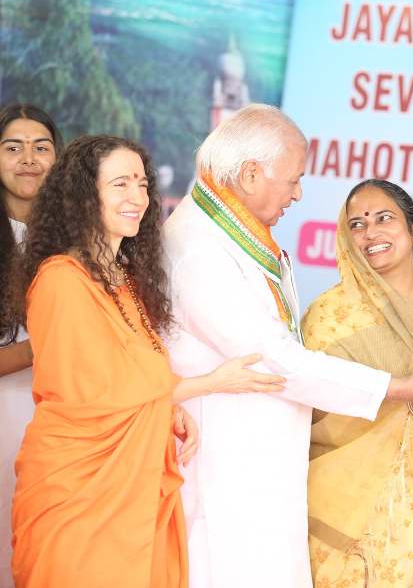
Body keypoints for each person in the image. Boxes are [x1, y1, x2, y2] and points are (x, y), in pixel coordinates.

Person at [162, 104, 413, 588]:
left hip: (269, 467)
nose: (298, 194)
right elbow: (275, 359)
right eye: (293, 180)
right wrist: (400, 387)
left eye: (385, 219)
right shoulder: (199, 249)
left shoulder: (234, 235)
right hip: (229, 464)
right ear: (250, 174)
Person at [10, 135, 277, 587]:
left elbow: (136, 368)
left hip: (133, 486)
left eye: (142, 183)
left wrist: (169, 406)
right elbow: (93, 392)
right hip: (78, 491)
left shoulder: (125, 280)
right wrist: (209, 383)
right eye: (120, 184)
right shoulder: (60, 279)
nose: (137, 197)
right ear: (83, 195)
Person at [302, 179, 413, 586]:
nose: (370, 233)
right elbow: (310, 410)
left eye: (383, 218)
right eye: (357, 225)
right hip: (347, 501)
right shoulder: (329, 314)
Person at [0, 104, 61, 588]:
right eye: (13, 147)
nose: (28, 159)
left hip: (60, 421)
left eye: (41, 147)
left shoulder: (76, 240)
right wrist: (43, 348)